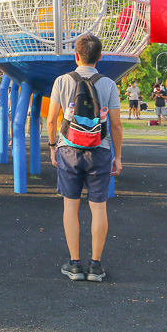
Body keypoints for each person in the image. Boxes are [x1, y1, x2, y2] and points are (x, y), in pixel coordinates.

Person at [46, 34, 123, 283]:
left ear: (76, 56)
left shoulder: (61, 81)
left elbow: (51, 119)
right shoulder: (109, 84)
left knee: (71, 205)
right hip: (100, 150)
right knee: (98, 207)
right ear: (99, 57)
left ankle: (75, 264)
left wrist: (52, 147)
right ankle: (96, 266)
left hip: (68, 149)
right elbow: (116, 125)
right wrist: (117, 156)